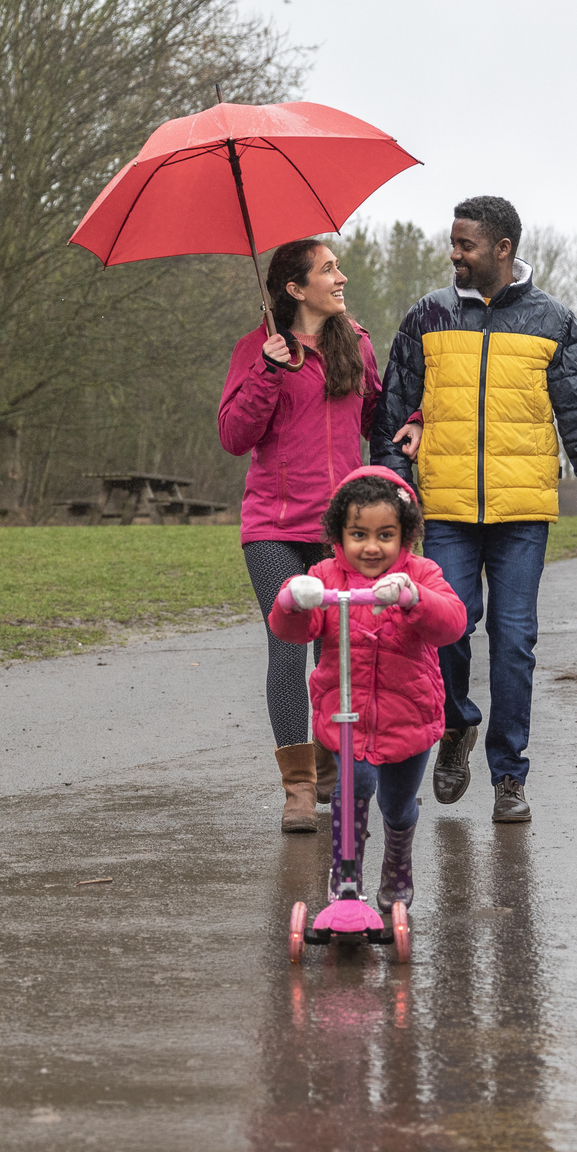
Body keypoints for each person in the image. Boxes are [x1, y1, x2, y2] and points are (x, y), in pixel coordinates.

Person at [370, 196, 577, 824]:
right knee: (447, 629)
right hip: (446, 510)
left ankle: (509, 776)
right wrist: (399, 494)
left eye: (466, 245)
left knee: (513, 641)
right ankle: (457, 726)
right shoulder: (427, 315)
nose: (454, 254)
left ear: (502, 249)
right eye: (452, 243)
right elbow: (393, 414)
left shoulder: (552, 321)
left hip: (522, 512)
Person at [220, 238, 383, 832]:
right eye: (328, 270)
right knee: (287, 646)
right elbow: (235, 437)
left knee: (336, 653)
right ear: (295, 289)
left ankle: (331, 767)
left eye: (337, 267)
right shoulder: (255, 351)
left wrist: (407, 431)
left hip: (338, 527)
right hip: (272, 527)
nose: (341, 277)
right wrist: (267, 369)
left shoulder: (357, 343)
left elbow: (375, 422)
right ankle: (297, 788)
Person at [267, 467, 468, 911]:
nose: (372, 546)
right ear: (340, 534)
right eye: (358, 534)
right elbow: (293, 630)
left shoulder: (421, 572)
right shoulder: (326, 576)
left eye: (385, 534)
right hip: (347, 714)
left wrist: (413, 597)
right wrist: (292, 599)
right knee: (352, 785)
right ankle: (345, 874)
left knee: (397, 806)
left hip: (407, 716)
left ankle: (397, 859)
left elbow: (453, 622)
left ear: (405, 534)